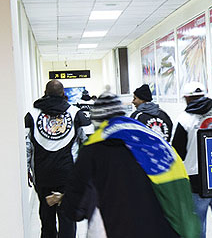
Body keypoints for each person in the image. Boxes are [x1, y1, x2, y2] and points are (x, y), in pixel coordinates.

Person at [57, 92, 200, 238]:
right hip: (165, 229)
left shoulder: (92, 149)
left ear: (97, 120)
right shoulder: (154, 141)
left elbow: (74, 208)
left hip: (118, 229)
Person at [24, 79, 91, 238]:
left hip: (42, 176)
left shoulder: (31, 116)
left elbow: (26, 146)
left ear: (45, 93)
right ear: (63, 94)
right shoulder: (76, 114)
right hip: (67, 175)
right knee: (68, 218)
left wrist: (26, 169)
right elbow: (89, 142)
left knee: (46, 218)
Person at [172, 82, 212, 238]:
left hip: (196, 179)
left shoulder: (184, 119)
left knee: (198, 226)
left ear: (187, 98)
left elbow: (177, 152)